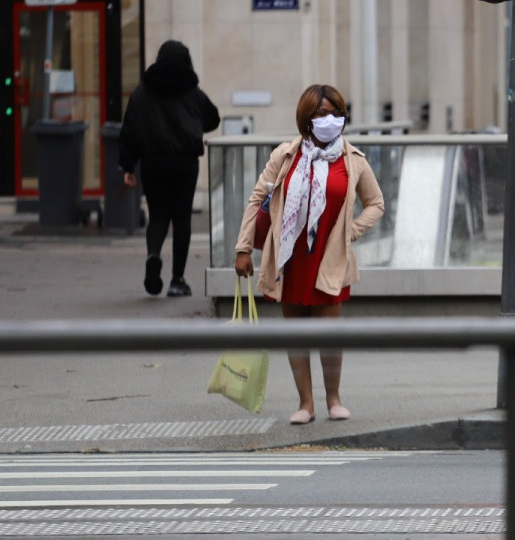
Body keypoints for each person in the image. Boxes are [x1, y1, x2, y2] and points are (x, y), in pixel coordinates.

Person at [233, 84, 384, 425]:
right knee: (296, 333)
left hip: (329, 258)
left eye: (334, 113)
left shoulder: (352, 160)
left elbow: (376, 203)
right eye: (320, 114)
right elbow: (257, 199)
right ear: (306, 118)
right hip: (290, 258)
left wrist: (351, 231)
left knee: (329, 333)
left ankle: (334, 399)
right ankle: (305, 404)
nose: (328, 120)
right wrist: (243, 248)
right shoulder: (285, 156)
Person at [120, 40, 220, 297]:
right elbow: (213, 118)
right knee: (182, 217)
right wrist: (194, 125)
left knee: (158, 216)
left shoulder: (142, 92)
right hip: (185, 162)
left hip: (152, 161)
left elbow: (129, 129)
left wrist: (128, 165)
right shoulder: (193, 92)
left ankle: (154, 254)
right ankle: (178, 280)